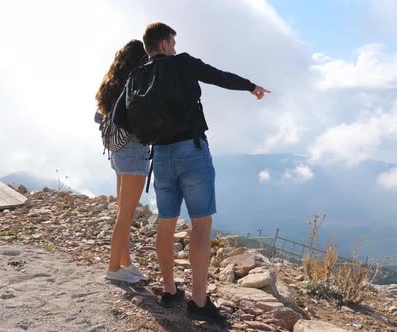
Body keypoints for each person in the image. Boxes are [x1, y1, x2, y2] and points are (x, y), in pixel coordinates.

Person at [113, 23, 270, 323]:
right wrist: (251, 86)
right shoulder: (182, 63)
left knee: (166, 223)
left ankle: (170, 290)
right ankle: (199, 301)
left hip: (159, 157)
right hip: (192, 151)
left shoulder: (136, 76)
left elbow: (120, 116)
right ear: (163, 43)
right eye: (172, 41)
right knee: (201, 224)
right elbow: (218, 76)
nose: (175, 46)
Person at [95, 39, 151, 284]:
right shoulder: (136, 83)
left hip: (117, 152)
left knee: (123, 212)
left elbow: (98, 116)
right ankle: (114, 268)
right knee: (125, 215)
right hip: (134, 152)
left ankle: (125, 262)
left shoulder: (112, 83)